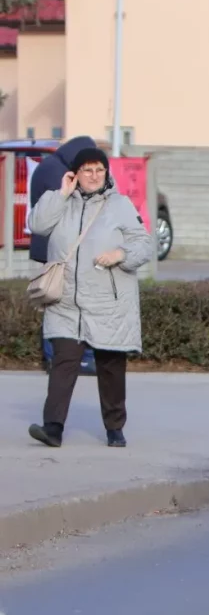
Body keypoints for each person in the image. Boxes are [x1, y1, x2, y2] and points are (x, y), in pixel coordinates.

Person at [26, 148, 153, 449]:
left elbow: (144, 244)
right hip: (66, 300)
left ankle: (114, 428)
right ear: (75, 174)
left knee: (110, 365)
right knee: (64, 362)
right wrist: (61, 194)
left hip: (108, 301)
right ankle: (53, 428)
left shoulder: (120, 205)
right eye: (86, 170)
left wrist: (121, 254)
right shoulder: (60, 202)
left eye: (99, 170)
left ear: (106, 173)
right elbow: (38, 225)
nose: (93, 176)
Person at [28, 135, 99, 374]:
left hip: (52, 249)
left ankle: (58, 358)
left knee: (55, 305)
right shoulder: (57, 173)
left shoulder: (49, 166)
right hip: (59, 251)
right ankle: (65, 358)